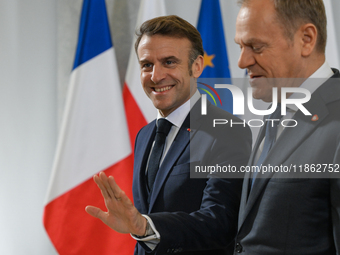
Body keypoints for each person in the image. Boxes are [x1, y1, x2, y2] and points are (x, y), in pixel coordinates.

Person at [86, 15, 252, 255]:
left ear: (197, 66)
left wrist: (144, 226)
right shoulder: (144, 135)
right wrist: (140, 228)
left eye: (169, 62)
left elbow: (220, 222)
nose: (156, 76)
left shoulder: (228, 131)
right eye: (147, 65)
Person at [233, 0, 340, 254]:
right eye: (240, 47)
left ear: (306, 39)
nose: (242, 61)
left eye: (256, 46)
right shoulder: (276, 110)